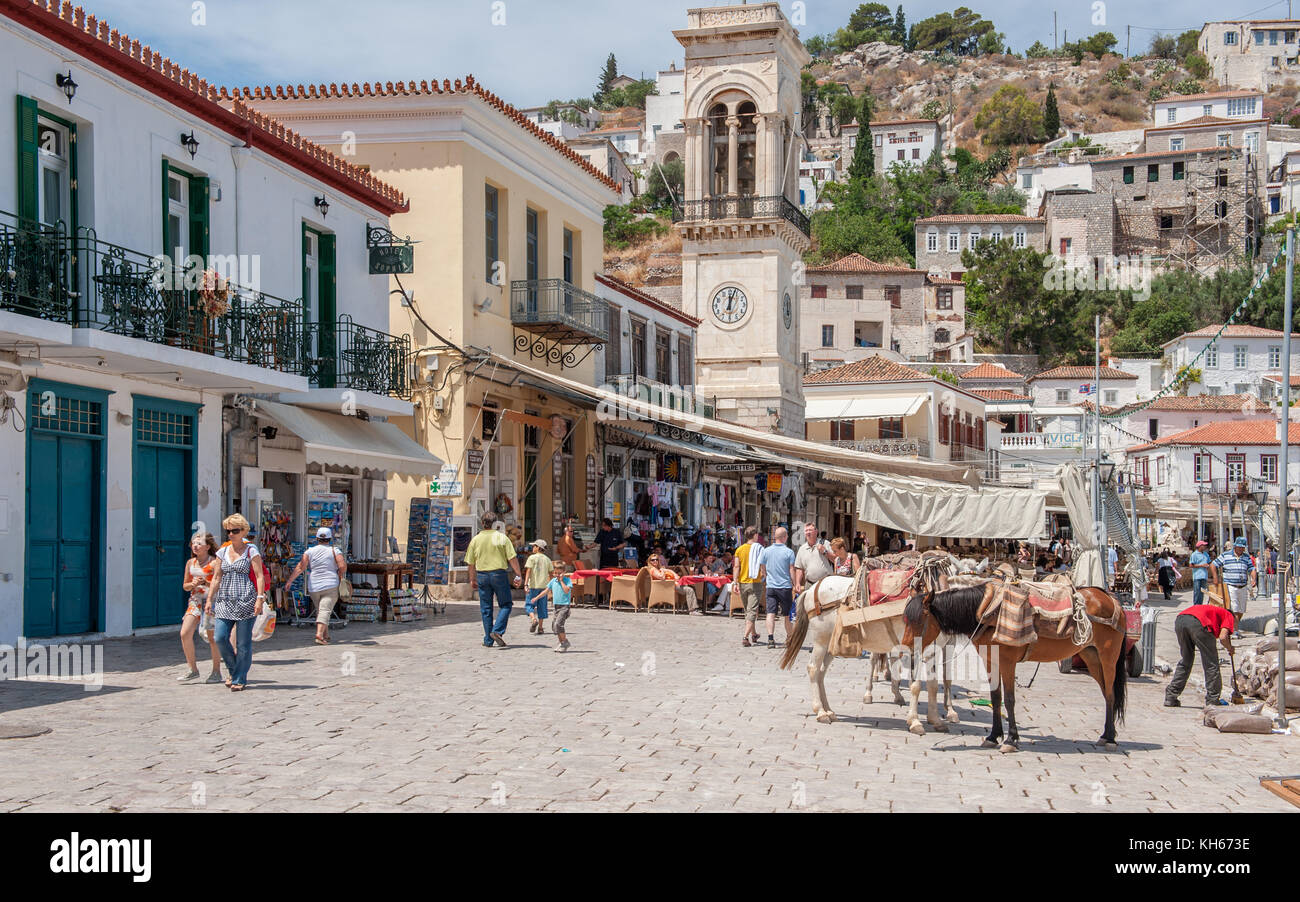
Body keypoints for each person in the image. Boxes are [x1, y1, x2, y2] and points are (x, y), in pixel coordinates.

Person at [204, 514, 267, 692]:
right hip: (225, 600)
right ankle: (233, 670)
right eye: (228, 531)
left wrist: (259, 598)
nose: (231, 534)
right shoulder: (222, 552)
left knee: (243, 643)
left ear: (244, 531)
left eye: (235, 531)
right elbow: (216, 577)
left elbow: (260, 575)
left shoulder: (251, 550)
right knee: (220, 638)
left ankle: (240, 678)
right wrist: (210, 599)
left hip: (246, 599)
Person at [465, 513, 523, 648]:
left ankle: (488, 639)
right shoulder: (501, 538)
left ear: (482, 523)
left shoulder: (475, 540)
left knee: (486, 608)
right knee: (506, 604)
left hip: (482, 576)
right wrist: (518, 574)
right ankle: (497, 630)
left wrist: (472, 578)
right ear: (495, 523)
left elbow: (471, 562)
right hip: (498, 574)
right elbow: (512, 558)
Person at [285, 527, 348, 645]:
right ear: (330, 539)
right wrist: (339, 574)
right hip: (330, 585)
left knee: (321, 610)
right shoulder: (335, 550)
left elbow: (300, 567)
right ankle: (319, 635)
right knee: (325, 610)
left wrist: (290, 581)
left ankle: (326, 634)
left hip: (314, 586)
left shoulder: (309, 551)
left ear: (317, 538)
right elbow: (342, 566)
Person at [1164, 603, 1235, 707]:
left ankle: (1171, 696)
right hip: (1200, 623)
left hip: (1180, 620)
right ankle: (1213, 699)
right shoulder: (1229, 615)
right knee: (1211, 663)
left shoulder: (1213, 610)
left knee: (1186, 660)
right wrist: (1230, 648)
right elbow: (1223, 637)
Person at [179, 532, 223, 683]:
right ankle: (193, 669)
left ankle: (216, 671)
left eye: (199, 543)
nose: (195, 546)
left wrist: (205, 583)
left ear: (208, 546)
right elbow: (185, 585)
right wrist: (193, 584)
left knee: (212, 637)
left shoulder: (215, 562)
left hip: (211, 601)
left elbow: (219, 584)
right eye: (194, 543)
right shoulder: (191, 563)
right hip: (195, 601)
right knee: (185, 633)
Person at [756, 527, 796, 648]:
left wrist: (766, 576)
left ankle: (770, 639)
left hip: (771, 586)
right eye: (787, 536)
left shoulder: (766, 551)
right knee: (787, 615)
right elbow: (791, 569)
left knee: (770, 613)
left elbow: (762, 566)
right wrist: (795, 583)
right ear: (784, 537)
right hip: (785, 587)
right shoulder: (789, 552)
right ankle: (789, 639)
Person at [1210, 538, 1255, 632]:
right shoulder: (1225, 555)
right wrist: (1215, 578)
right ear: (1235, 546)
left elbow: (1252, 569)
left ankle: (1234, 627)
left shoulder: (1246, 557)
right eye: (1239, 547)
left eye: (1242, 548)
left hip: (1243, 586)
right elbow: (1213, 565)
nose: (1241, 549)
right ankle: (1234, 629)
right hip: (1230, 585)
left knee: (1241, 609)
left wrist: (1254, 579)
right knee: (1234, 608)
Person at [733, 526, 764, 647]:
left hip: (742, 583)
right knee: (751, 611)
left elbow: (736, 567)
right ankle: (745, 637)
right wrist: (764, 576)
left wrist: (735, 582)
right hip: (755, 583)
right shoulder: (759, 549)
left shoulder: (739, 549)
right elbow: (762, 566)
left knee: (748, 610)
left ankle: (754, 634)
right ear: (755, 535)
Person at [533, 561, 574, 652]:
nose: (557, 575)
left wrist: (561, 581)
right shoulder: (553, 581)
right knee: (554, 627)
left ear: (564, 572)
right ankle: (562, 643)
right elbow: (546, 591)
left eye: (559, 573)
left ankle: (565, 642)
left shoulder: (567, 581)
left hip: (564, 607)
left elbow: (567, 590)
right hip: (556, 607)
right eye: (555, 573)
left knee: (558, 624)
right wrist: (536, 598)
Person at [794, 523, 834, 595]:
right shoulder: (802, 549)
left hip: (826, 584)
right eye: (806, 531)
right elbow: (799, 568)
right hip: (810, 585)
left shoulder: (825, 544)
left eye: (810, 530)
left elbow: (836, 560)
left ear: (816, 531)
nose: (808, 532)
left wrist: (825, 552)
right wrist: (797, 583)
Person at [523, 539, 553, 635]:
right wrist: (551, 586)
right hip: (544, 587)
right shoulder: (547, 559)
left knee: (529, 605)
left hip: (533, 586)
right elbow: (551, 573)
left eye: (534, 546)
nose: (533, 548)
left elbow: (528, 571)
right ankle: (540, 627)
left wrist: (526, 584)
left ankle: (533, 619)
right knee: (542, 607)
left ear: (538, 548)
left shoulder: (532, 558)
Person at [1188, 540, 1211, 606]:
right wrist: (1201, 565)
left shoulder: (1206, 554)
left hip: (1204, 575)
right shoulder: (1194, 554)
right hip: (1197, 576)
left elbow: (1209, 562)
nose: (1205, 546)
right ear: (1200, 546)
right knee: (1197, 592)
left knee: (1202, 592)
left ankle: (1200, 605)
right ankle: (1195, 605)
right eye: (1203, 545)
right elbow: (1191, 565)